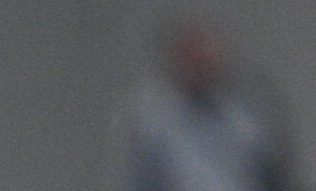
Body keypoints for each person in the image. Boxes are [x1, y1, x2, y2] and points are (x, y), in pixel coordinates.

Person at [123, 21, 294, 191]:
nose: (201, 66)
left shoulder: (243, 116)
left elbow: (270, 169)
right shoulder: (157, 120)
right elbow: (143, 178)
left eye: (206, 58)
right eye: (193, 58)